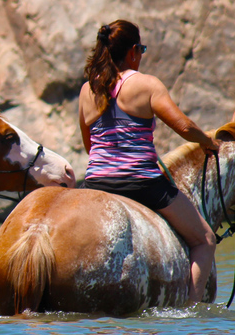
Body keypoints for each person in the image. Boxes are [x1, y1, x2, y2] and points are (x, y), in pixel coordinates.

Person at [78, 20, 219, 305]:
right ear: (132, 52)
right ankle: (189, 308)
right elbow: (182, 126)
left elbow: (89, 145)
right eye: (140, 49)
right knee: (205, 239)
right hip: (140, 183)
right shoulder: (145, 84)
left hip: (95, 184)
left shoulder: (87, 90)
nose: (140, 56)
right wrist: (207, 142)